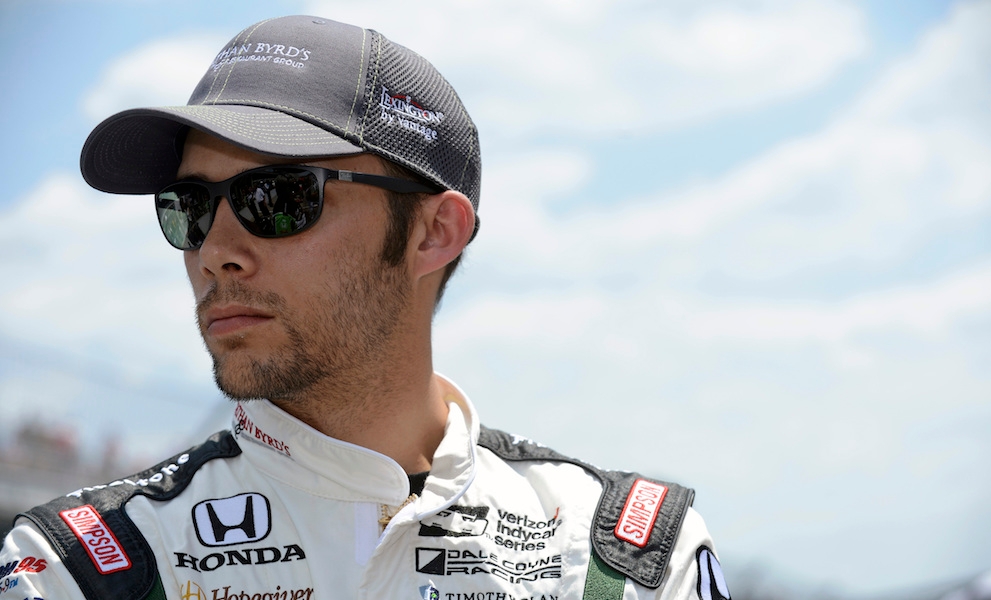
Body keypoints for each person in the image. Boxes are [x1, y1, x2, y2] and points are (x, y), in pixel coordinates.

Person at [0, 15, 730, 600]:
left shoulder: (626, 558)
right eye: (188, 206)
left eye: (277, 197)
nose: (215, 250)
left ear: (433, 233)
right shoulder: (82, 566)